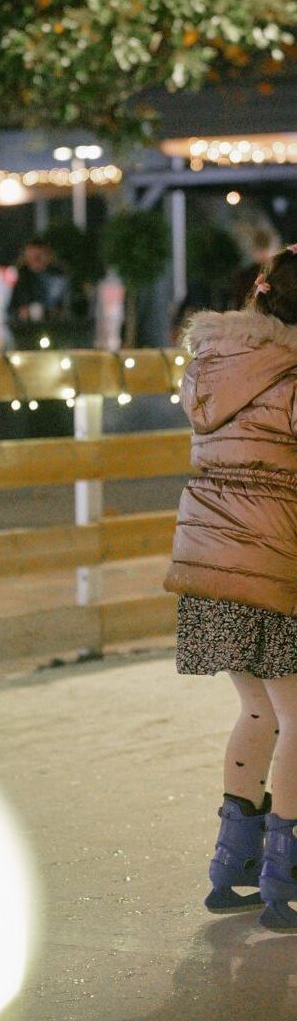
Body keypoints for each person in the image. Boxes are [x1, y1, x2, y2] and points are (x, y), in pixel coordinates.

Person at [163, 245, 297, 930]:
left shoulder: (211, 365)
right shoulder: (290, 377)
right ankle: (284, 873)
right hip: (272, 563)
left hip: (210, 564)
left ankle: (232, 865)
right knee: (295, 715)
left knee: (258, 711)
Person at [6, 237, 71, 350]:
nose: (36, 260)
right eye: (32, 256)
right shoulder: (22, 279)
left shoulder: (59, 277)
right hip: (27, 335)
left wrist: (58, 313)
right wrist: (21, 313)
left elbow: (68, 305)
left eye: (39, 256)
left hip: (54, 332)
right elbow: (11, 309)